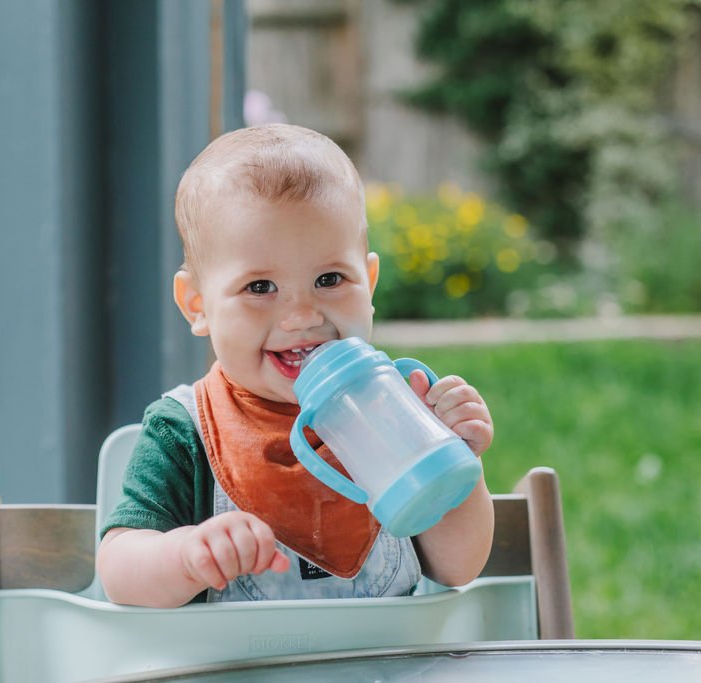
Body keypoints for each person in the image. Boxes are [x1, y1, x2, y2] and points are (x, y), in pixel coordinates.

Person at [96, 124, 495, 608]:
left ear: (368, 283)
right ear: (197, 305)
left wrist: (453, 464)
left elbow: (457, 567)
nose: (303, 316)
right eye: (260, 287)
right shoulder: (185, 430)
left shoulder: (396, 407)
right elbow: (118, 570)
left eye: (329, 279)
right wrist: (185, 556)